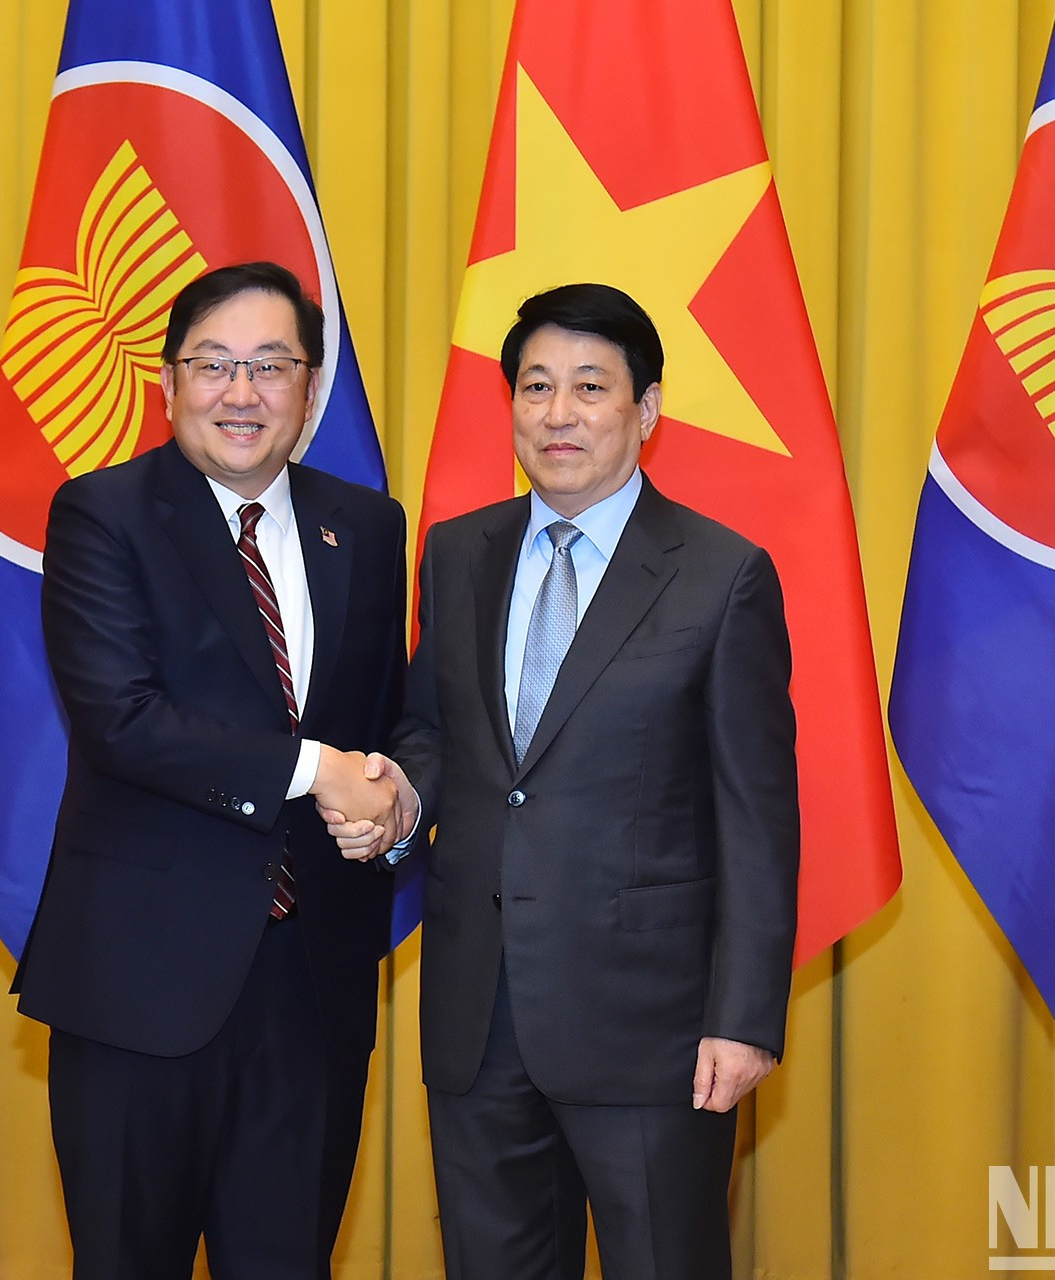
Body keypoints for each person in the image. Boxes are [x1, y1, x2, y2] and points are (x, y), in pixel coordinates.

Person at [332, 282, 800, 1279]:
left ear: (649, 409)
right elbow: (432, 732)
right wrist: (400, 800)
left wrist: (745, 1015)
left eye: (591, 386)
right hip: (477, 1013)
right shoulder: (459, 554)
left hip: (654, 1028)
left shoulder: (723, 575)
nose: (559, 412)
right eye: (536, 386)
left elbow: (758, 817)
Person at [13, 260, 410, 1278]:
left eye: (271, 366)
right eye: (215, 365)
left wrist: (397, 800)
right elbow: (123, 718)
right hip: (141, 986)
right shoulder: (103, 514)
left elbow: (393, 717)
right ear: (169, 382)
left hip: (311, 989)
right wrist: (319, 768)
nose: (243, 392)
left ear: (310, 388)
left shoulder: (365, 525)